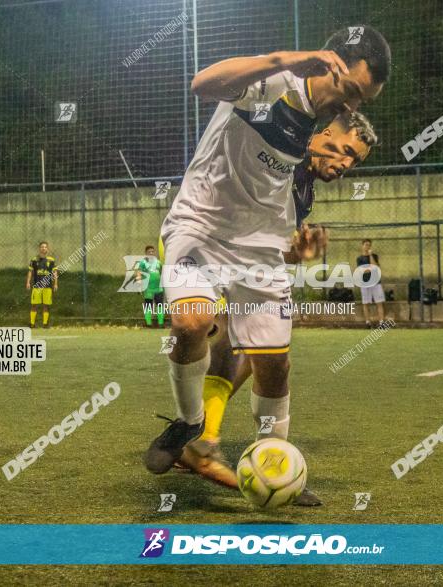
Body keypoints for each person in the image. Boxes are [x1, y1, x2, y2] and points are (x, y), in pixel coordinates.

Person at [143, 25, 391, 510]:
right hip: (200, 226)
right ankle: (191, 424)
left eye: (365, 100)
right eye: (354, 92)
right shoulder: (273, 85)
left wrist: (296, 252)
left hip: (258, 253)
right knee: (191, 321)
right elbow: (202, 84)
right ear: (331, 65)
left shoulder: (317, 146)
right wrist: (283, 59)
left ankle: (272, 458)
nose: (355, 107)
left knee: (274, 366)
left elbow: (283, 222)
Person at [178, 112, 379, 500]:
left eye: (356, 161)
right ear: (323, 134)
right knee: (235, 343)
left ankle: (219, 441)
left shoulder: (304, 191)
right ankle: (202, 439)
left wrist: (294, 253)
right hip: (207, 241)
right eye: (346, 152)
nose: (347, 165)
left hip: (242, 261)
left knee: (262, 354)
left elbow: (269, 247)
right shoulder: (277, 152)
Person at [26, 241, 57, 328]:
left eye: (45, 247)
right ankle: (32, 323)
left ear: (47, 249)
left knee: (46, 305)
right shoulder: (34, 260)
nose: (43, 248)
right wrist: (28, 282)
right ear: (39, 249)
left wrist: (55, 284)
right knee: (34, 305)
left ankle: (45, 324)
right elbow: (30, 272)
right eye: (42, 247)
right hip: (37, 286)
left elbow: (54, 273)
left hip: (47, 287)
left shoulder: (51, 260)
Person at [356, 238, 385, 327]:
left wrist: (371, 255)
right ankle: (368, 322)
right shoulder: (359, 258)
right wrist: (370, 269)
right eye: (366, 245)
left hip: (376, 282)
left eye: (369, 245)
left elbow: (375, 267)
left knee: (379, 302)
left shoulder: (374, 256)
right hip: (365, 283)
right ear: (362, 246)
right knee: (366, 303)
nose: (367, 246)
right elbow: (362, 271)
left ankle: (381, 322)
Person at [136, 245, 165, 327]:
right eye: (149, 252)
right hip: (148, 288)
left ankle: (161, 324)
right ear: (146, 253)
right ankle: (148, 324)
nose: (151, 253)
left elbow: (162, 273)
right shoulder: (143, 262)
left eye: (152, 252)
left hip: (158, 287)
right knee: (148, 304)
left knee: (159, 305)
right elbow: (138, 273)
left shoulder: (158, 262)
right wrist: (139, 285)